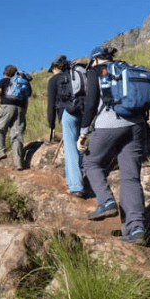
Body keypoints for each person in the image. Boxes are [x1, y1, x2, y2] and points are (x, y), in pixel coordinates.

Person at [77, 46, 147, 244]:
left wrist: (83, 133)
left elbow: (91, 104)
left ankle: (106, 201)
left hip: (109, 124)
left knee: (91, 163)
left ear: (95, 60)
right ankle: (136, 230)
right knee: (131, 177)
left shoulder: (95, 71)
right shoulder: (127, 68)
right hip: (136, 125)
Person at [47, 55, 85, 197]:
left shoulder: (54, 80)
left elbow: (51, 104)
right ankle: (73, 180)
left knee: (70, 149)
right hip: (84, 111)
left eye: (52, 70)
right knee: (80, 146)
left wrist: (51, 124)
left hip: (68, 114)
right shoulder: (76, 75)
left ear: (56, 67)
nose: (52, 73)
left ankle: (76, 186)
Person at [0, 65, 32, 170]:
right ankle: (18, 163)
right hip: (20, 108)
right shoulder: (21, 82)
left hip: (7, 106)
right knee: (17, 135)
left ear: (6, 72)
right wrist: (23, 112)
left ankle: (0, 152)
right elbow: (26, 100)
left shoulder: (4, 81)